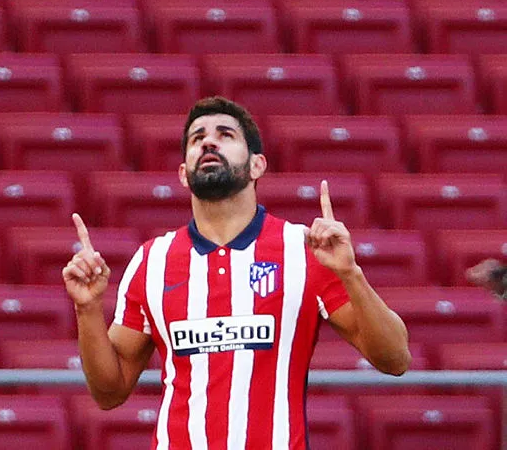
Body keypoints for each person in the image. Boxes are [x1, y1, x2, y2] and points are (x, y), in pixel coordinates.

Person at [62, 96, 411, 450]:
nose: (208, 142)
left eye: (225, 135)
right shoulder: (152, 260)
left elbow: (395, 359)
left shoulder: (305, 249)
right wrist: (87, 309)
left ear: (257, 165)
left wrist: (351, 274)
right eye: (197, 138)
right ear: (183, 173)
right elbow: (109, 393)